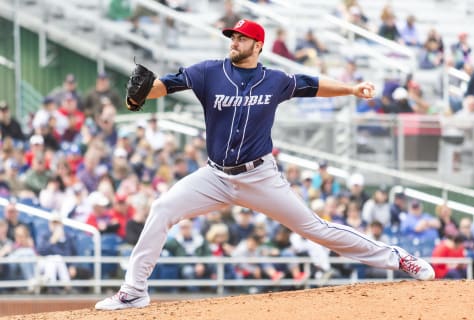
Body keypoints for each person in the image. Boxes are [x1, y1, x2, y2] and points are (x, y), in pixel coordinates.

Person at [95, 19, 435, 310]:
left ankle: (399, 258)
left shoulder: (275, 80)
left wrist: (350, 88)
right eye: (232, 37)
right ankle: (135, 291)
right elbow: (162, 87)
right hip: (214, 176)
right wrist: (138, 95)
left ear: (257, 45)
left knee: (315, 228)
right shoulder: (208, 72)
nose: (234, 42)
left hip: (259, 176)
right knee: (162, 208)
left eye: (242, 38)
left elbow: (311, 85)